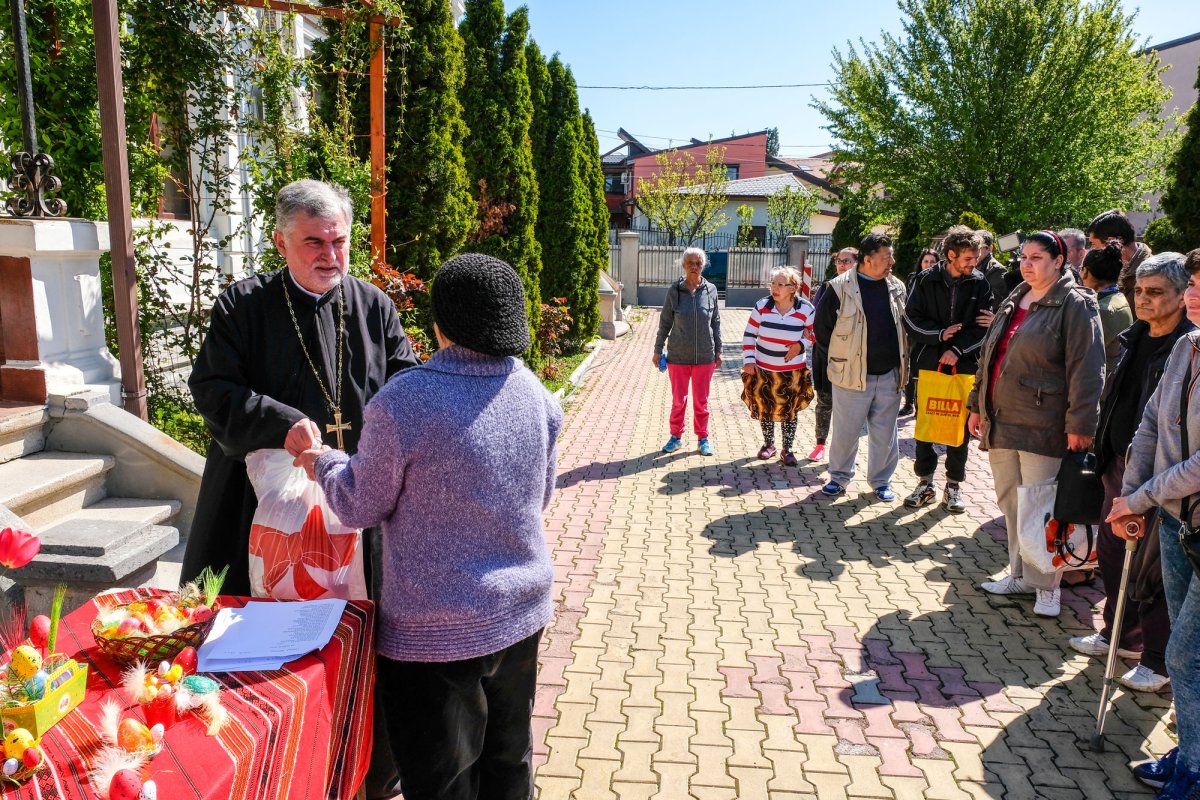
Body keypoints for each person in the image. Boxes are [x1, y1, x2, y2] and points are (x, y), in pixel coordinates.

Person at [186, 179, 421, 800]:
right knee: (273, 640)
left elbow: (407, 386)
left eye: (339, 241)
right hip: (264, 511)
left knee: (366, 633)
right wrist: (277, 421)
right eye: (313, 241)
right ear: (281, 241)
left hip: (359, 504)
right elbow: (212, 389)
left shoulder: (373, 306)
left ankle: (372, 768)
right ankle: (274, 766)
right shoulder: (244, 305)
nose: (330, 255)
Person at [297, 253, 562, 800]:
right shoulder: (535, 393)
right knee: (509, 761)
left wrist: (319, 459)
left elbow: (357, 505)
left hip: (433, 631)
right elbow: (541, 497)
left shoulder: (405, 401)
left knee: (443, 781)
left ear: (439, 325)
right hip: (521, 612)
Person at [967, 230, 1105, 618]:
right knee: (1011, 501)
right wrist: (976, 403)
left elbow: (1089, 370)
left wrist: (1081, 424)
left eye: (1037, 258)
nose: (1027, 264)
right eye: (1023, 257)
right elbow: (990, 355)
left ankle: (1047, 586)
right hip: (1003, 417)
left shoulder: (1076, 304)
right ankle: (1020, 575)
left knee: (1041, 505)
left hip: (1044, 422)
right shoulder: (1017, 296)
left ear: (1059, 261)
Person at [1072, 253, 1192, 693]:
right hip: (1120, 463)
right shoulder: (1134, 335)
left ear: (1182, 295)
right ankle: (1117, 636)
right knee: (1114, 553)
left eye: (1156, 292)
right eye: (1139, 291)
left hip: (1164, 475)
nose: (1143, 300)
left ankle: (1156, 659)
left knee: (1153, 570)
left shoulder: (1187, 345)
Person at [1107, 248, 1200, 799]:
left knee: (1186, 654)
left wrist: (1141, 497)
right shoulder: (1188, 348)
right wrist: (1128, 499)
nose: (1193, 295)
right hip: (1174, 522)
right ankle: (1189, 751)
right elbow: (1149, 426)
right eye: (1194, 283)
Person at [902, 227, 993, 513]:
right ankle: (925, 483)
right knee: (925, 428)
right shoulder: (925, 280)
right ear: (951, 255)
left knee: (959, 431)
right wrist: (940, 336)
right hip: (928, 365)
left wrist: (957, 349)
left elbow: (985, 328)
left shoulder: (981, 283)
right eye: (967, 258)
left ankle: (953, 487)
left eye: (976, 257)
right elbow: (910, 320)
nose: (973, 263)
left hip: (964, 368)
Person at [814, 232, 910, 500]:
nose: (892, 260)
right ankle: (839, 477)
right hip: (850, 375)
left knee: (885, 433)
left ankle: (881, 481)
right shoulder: (838, 287)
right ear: (867, 259)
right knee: (846, 431)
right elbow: (822, 332)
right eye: (886, 256)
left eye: (891, 255)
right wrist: (841, 361)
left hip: (890, 374)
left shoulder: (897, 287)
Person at [741, 267, 815, 466]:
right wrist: (749, 360)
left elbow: (815, 334)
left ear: (793, 288)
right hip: (763, 369)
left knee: (789, 410)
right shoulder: (762, 306)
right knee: (765, 407)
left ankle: (788, 449)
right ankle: (768, 444)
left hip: (792, 372)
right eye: (773, 283)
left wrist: (800, 345)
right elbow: (749, 335)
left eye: (781, 284)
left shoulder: (806, 309)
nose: (775, 288)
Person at [654, 247, 722, 456]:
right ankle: (676, 437)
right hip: (678, 356)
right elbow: (665, 322)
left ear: (703, 266)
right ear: (683, 265)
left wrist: (718, 351)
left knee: (701, 402)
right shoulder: (674, 291)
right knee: (678, 400)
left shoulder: (711, 290)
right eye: (690, 263)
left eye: (698, 263)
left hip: (705, 356)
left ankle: (703, 438)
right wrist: (658, 350)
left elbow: (716, 322)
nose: (694, 267)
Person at [809, 247, 858, 461]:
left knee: (849, 407)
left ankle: (845, 452)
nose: (841, 264)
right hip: (824, 354)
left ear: (858, 263)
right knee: (825, 400)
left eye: (847, 261)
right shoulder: (827, 287)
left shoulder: (861, 289)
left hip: (853, 358)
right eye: (839, 260)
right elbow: (815, 317)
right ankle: (820, 445)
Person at [1080, 240, 1134, 375]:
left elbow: (1081, 353)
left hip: (1100, 384)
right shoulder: (1117, 298)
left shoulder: (1101, 310)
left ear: (1084, 271)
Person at [900, 248, 940, 417]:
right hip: (913, 329)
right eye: (926, 261)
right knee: (910, 367)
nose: (929, 265)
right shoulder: (913, 279)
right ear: (920, 263)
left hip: (930, 330)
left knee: (924, 370)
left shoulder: (941, 282)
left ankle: (920, 405)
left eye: (932, 262)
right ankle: (908, 403)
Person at [1086, 208, 1152, 310]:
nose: (1091, 250)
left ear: (1111, 241)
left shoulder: (1152, 274)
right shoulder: (1110, 267)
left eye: (1093, 244)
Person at [976, 230, 1011, 311]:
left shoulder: (998, 270)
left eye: (979, 247)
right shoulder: (971, 265)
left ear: (990, 248)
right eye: (973, 246)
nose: (975, 251)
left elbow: (994, 305)